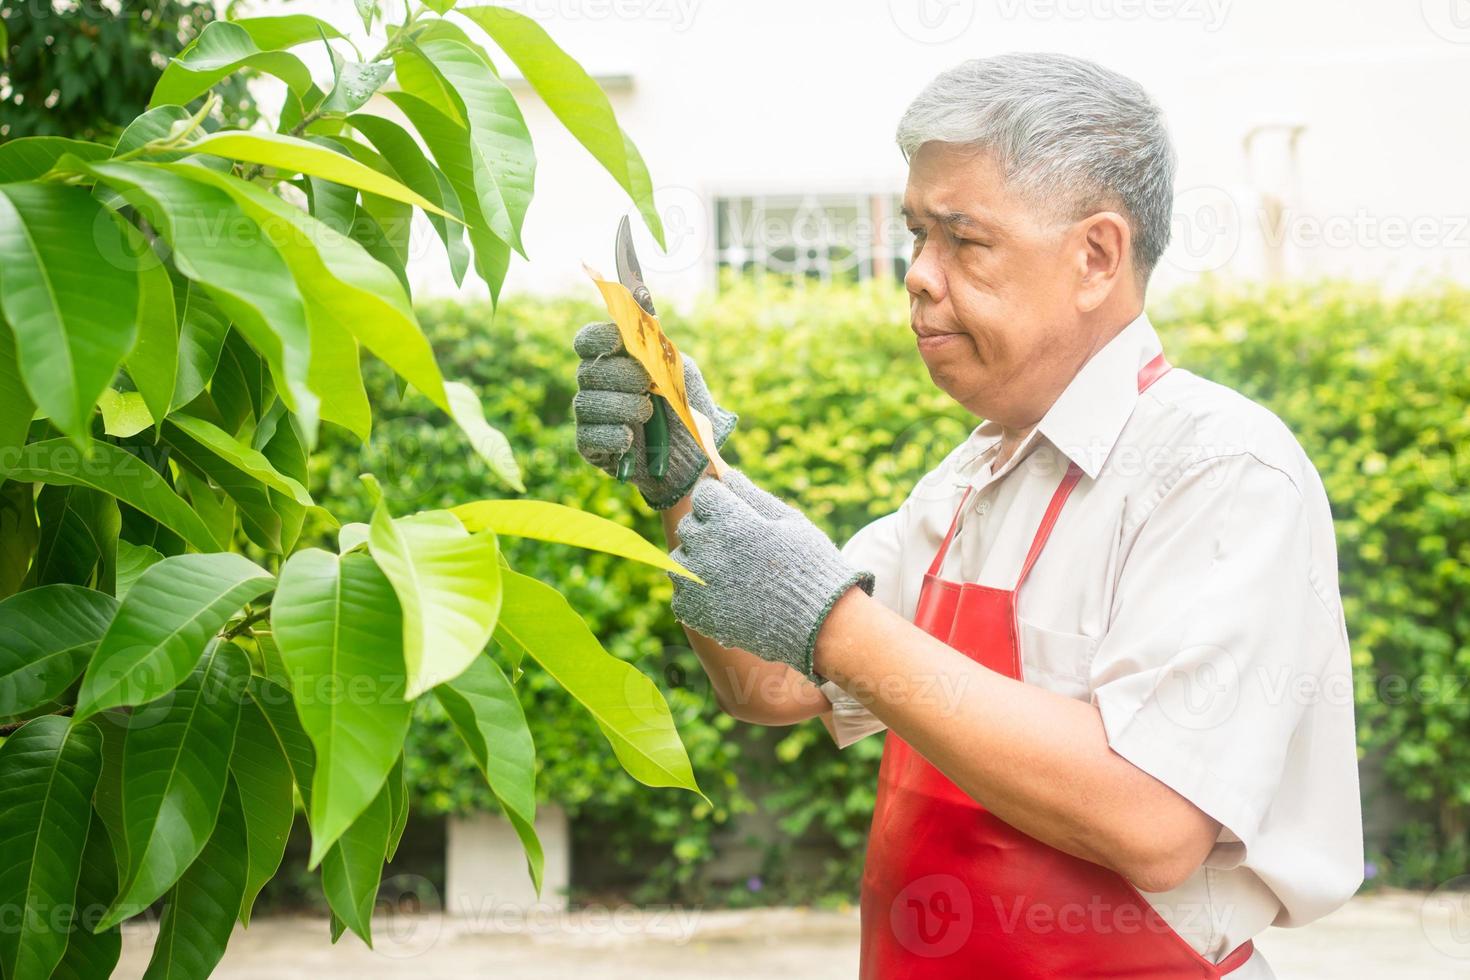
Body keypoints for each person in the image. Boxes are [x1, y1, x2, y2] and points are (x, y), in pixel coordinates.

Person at [572, 52, 1362, 979]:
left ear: (1096, 256)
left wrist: (830, 617)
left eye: (962, 240)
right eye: (915, 235)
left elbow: (1154, 819)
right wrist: (687, 489)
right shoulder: (974, 474)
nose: (916, 275)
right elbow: (772, 685)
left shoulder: (1219, 469)